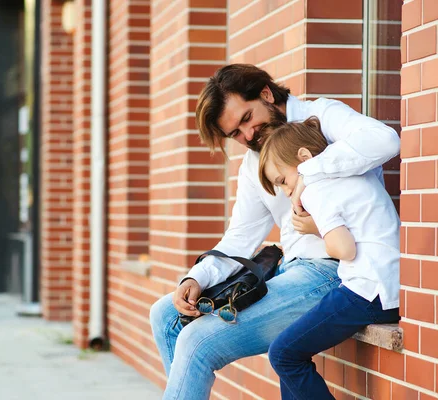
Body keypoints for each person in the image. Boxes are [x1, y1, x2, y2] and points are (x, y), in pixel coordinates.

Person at [149, 64, 400, 400]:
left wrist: (306, 173)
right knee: (165, 315)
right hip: (288, 267)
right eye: (235, 134)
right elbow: (240, 236)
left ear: (266, 94)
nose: (248, 135)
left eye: (246, 118)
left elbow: (385, 140)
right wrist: (196, 278)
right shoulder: (254, 164)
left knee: (198, 343)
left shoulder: (321, 116)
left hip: (332, 270)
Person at [258, 119, 400, 399]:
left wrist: (317, 229)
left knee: (284, 353)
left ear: (304, 158)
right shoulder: (356, 171)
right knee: (289, 349)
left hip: (368, 292)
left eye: (284, 181)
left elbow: (344, 250)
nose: (288, 192)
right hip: (386, 288)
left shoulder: (316, 189)